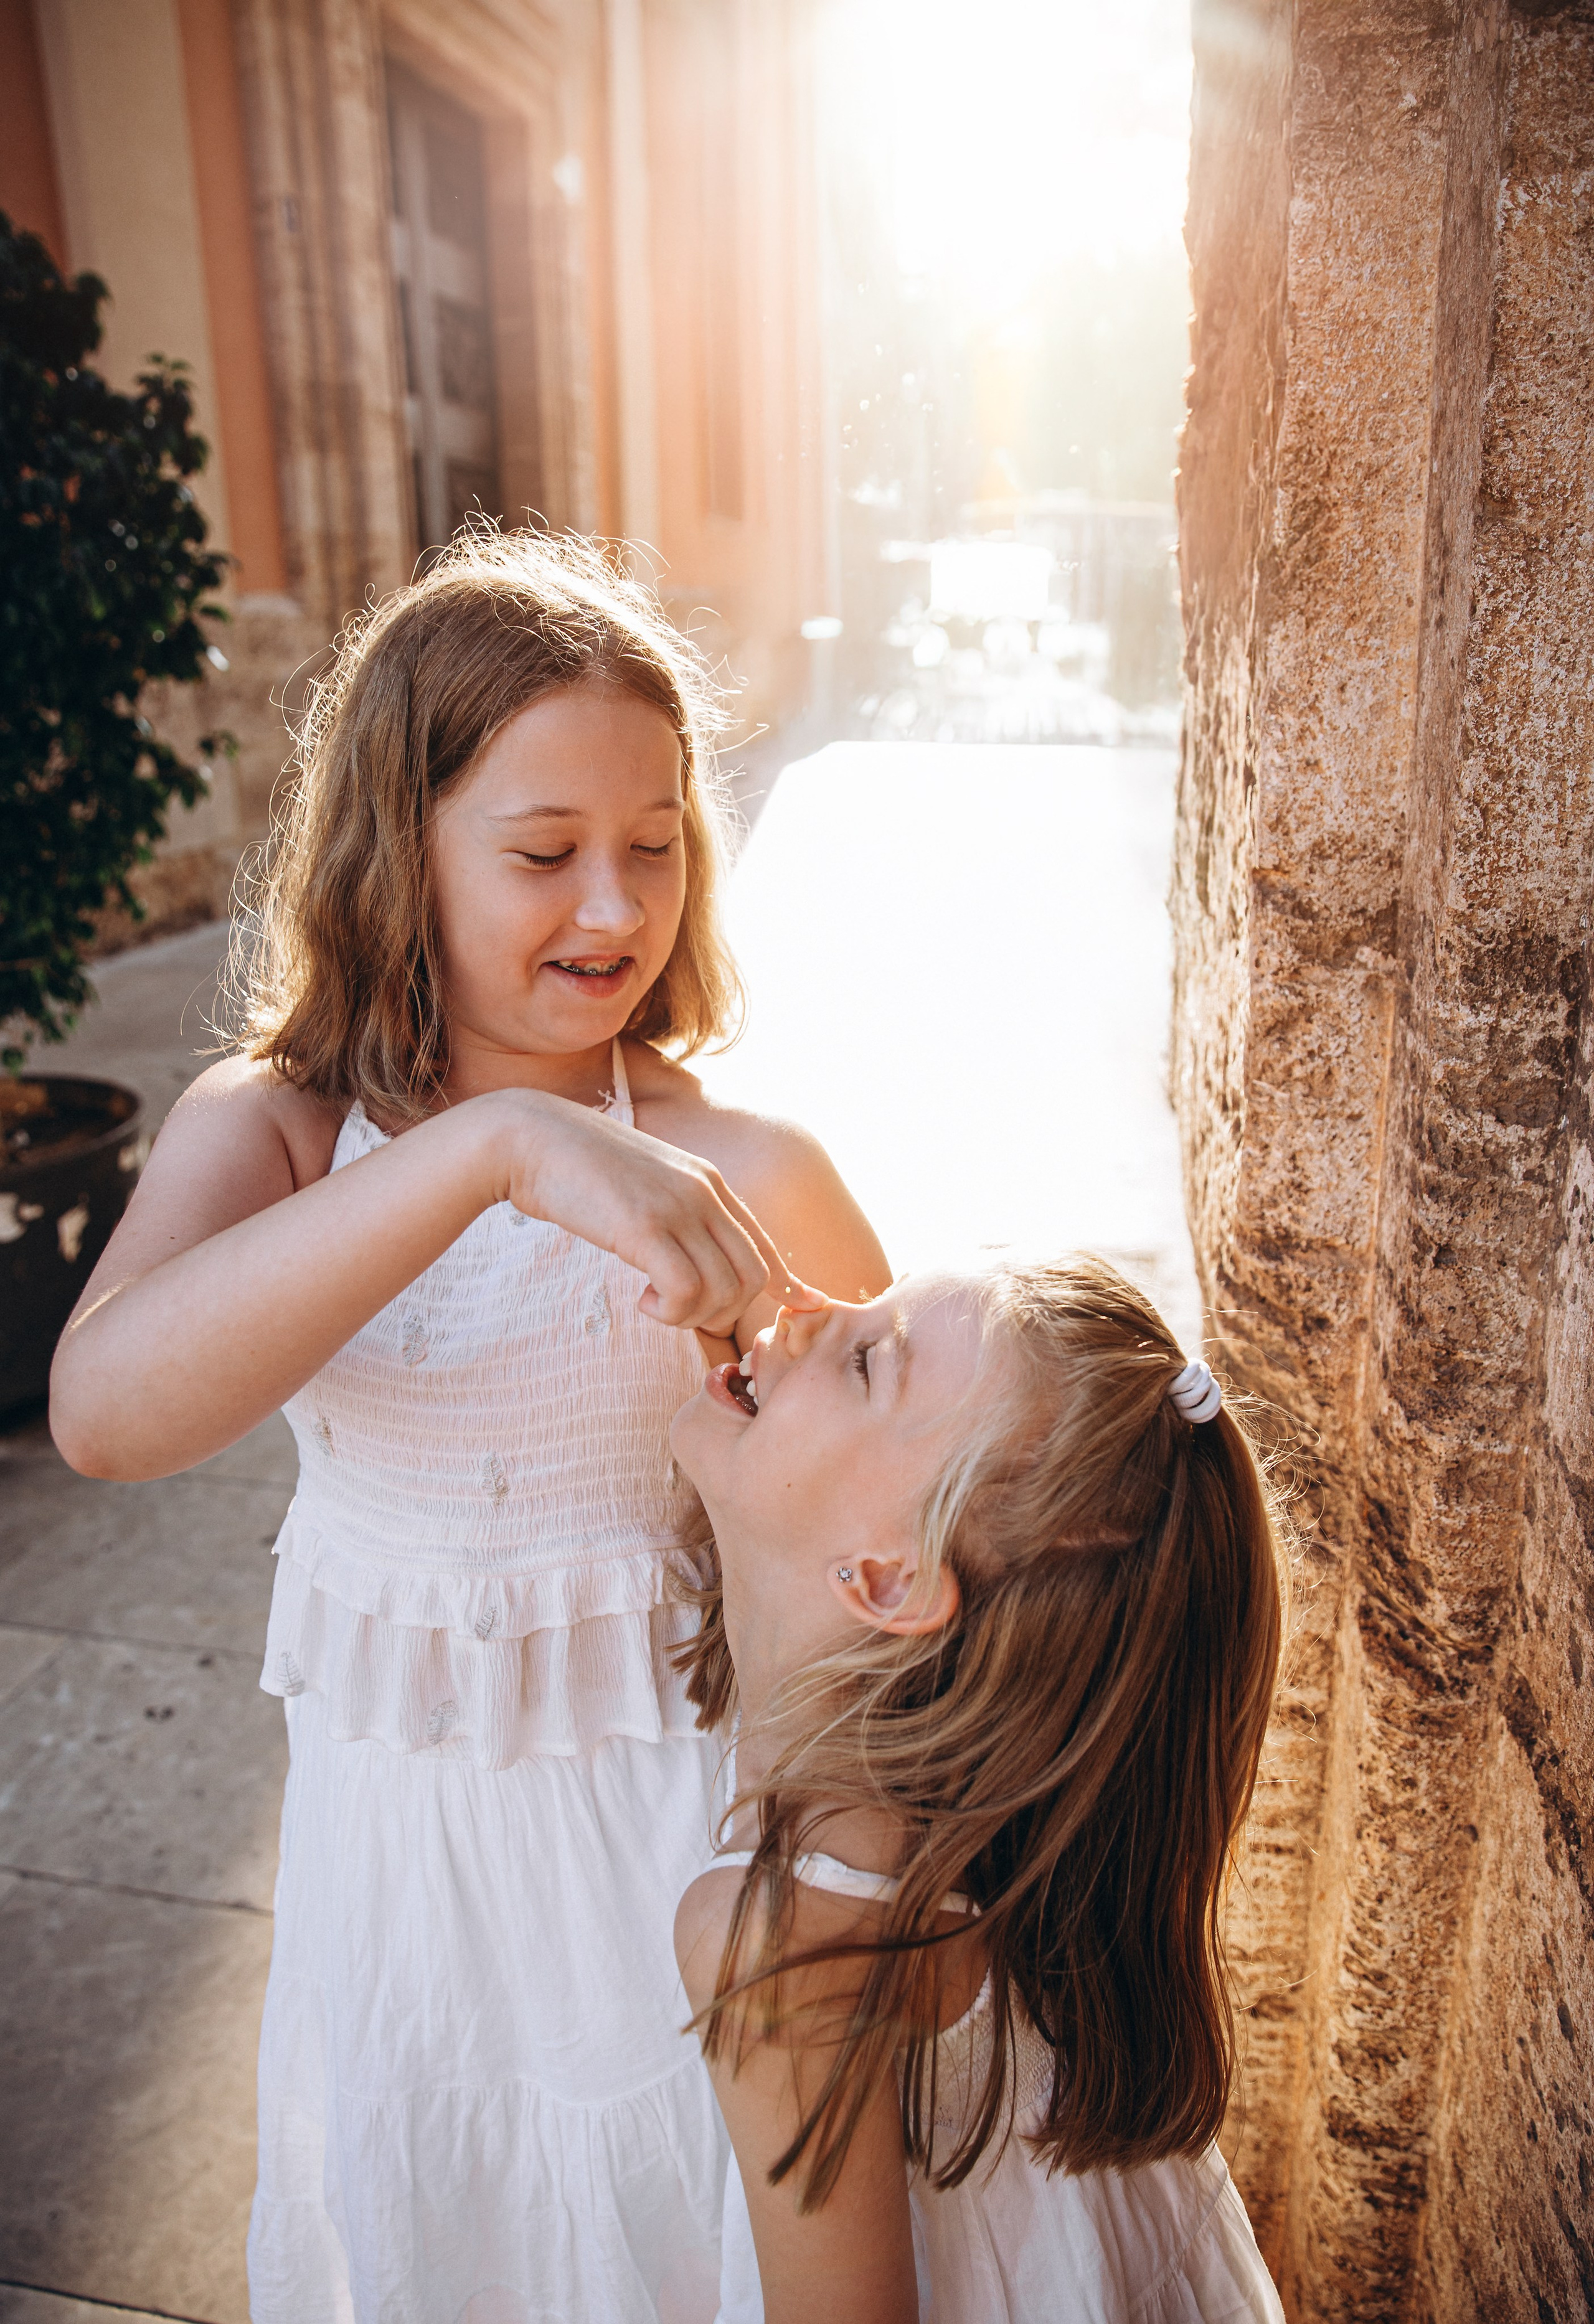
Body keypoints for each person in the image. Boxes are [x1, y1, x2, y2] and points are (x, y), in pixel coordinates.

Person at [50, 531, 890, 2324]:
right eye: (543, 854)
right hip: (412, 1880)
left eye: (655, 844)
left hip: (682, 1867)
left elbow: (908, 1533)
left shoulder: (749, 1170)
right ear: (395, 847)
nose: (613, 907)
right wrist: (494, 1148)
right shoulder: (275, 1130)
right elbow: (107, 1411)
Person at [669, 1258, 1290, 2324]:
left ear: (889, 1580)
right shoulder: (993, 1786)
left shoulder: (780, 1941)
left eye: (868, 1358)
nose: (810, 1298)